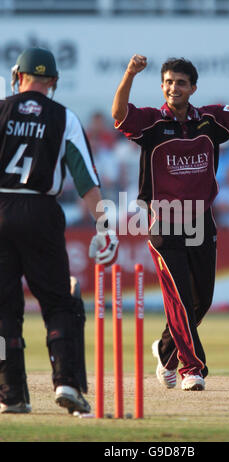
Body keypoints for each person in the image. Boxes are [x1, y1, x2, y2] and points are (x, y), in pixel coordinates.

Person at [112, 54, 229, 391]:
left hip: (202, 221)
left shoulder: (210, 120)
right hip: (164, 223)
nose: (174, 87)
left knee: (203, 300)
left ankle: (166, 350)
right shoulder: (153, 123)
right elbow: (119, 114)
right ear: (162, 87)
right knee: (181, 299)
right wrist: (129, 74)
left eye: (181, 83)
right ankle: (192, 369)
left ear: (192, 88)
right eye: (169, 82)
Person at [0, 48, 118, 414]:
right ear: (53, 82)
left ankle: (10, 394)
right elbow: (85, 179)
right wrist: (106, 226)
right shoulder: (63, 117)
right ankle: (66, 382)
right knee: (57, 301)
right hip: (40, 211)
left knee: (3, 310)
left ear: (17, 75)